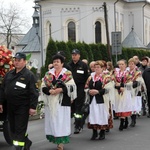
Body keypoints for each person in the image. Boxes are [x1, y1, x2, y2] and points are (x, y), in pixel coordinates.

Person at [0, 52, 39, 150]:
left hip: (22, 107)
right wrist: (0, 102)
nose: (16, 62)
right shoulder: (9, 74)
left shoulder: (29, 75)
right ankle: (26, 142)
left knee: (19, 129)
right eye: (15, 60)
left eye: (19, 60)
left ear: (24, 62)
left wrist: (33, 107)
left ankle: (19, 147)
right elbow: (2, 88)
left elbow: (34, 92)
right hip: (10, 106)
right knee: (12, 129)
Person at [41, 54, 77, 150]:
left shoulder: (67, 74)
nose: (55, 63)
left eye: (57, 61)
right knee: (53, 121)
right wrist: (49, 91)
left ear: (62, 63)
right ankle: (55, 138)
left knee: (61, 121)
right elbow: (43, 86)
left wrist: (60, 90)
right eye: (54, 61)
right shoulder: (48, 74)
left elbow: (72, 87)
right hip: (51, 102)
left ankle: (61, 143)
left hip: (62, 102)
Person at [86, 60, 114, 140]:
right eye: (95, 67)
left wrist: (98, 91)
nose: (96, 69)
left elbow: (108, 88)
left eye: (98, 67)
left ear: (102, 68)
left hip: (102, 99)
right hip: (92, 99)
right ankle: (94, 132)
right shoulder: (91, 77)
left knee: (102, 114)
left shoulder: (106, 77)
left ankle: (102, 132)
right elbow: (86, 86)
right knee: (93, 115)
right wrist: (89, 91)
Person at [68, 49, 89, 134]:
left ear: (79, 55)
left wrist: (85, 86)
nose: (74, 56)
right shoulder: (69, 65)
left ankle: (77, 125)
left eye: (76, 54)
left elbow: (86, 77)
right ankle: (75, 123)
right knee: (72, 108)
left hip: (80, 88)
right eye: (73, 54)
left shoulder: (83, 65)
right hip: (71, 89)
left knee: (78, 107)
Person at [113, 59, 132, 131]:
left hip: (125, 91)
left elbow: (130, 83)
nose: (121, 66)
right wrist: (116, 85)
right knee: (119, 105)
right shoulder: (115, 72)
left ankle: (122, 122)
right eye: (119, 64)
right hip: (118, 91)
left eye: (122, 64)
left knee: (123, 105)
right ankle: (125, 119)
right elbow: (112, 80)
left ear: (125, 65)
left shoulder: (128, 73)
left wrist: (122, 85)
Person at [128, 58, 146, 127]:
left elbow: (139, 81)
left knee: (133, 105)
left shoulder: (138, 72)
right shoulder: (127, 71)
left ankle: (133, 119)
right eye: (129, 64)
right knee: (129, 105)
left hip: (135, 90)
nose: (130, 65)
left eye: (132, 64)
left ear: (134, 64)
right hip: (128, 90)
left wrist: (132, 84)